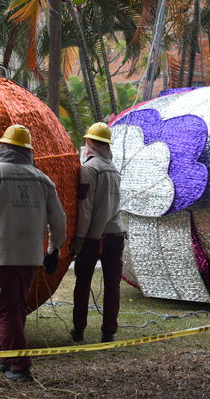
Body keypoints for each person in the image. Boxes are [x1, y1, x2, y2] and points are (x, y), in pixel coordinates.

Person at [0, 124, 67, 382]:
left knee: (6, 311)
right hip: (30, 258)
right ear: (28, 151)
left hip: (1, 256)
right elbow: (59, 221)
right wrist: (53, 249)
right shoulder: (43, 179)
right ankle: (5, 356)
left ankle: (19, 367)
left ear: (4, 148)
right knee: (17, 309)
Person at [70, 122, 125, 343]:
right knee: (113, 285)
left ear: (90, 143)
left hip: (94, 237)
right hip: (116, 235)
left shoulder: (89, 169)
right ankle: (109, 331)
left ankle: (79, 329)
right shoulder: (112, 168)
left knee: (82, 284)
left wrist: (79, 238)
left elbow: (85, 207)